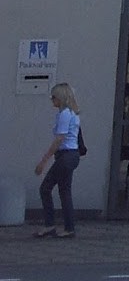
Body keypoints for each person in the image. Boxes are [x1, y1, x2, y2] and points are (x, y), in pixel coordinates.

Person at [35, 82, 81, 238]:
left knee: (45, 188)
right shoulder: (73, 113)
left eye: (53, 97)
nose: (52, 100)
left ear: (61, 98)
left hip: (65, 155)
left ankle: (50, 225)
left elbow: (59, 139)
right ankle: (69, 227)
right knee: (64, 191)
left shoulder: (64, 115)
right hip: (72, 155)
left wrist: (43, 162)